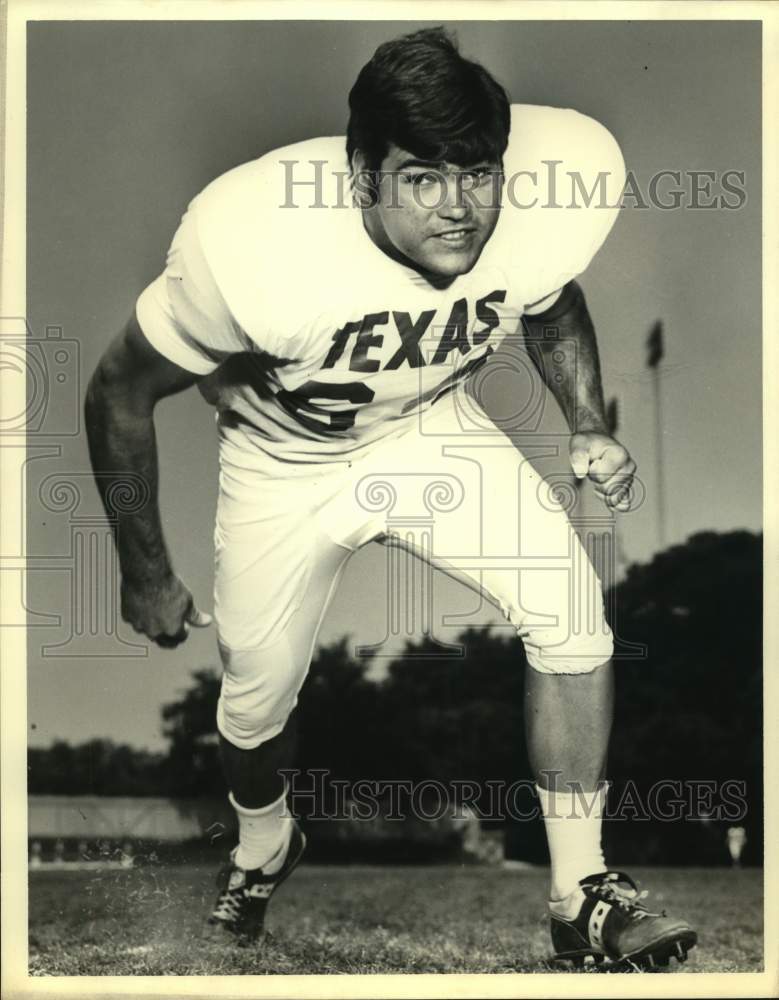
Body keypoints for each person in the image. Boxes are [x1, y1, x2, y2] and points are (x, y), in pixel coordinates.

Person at [85, 27, 696, 969]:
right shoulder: (253, 243)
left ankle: (582, 896)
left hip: (426, 434)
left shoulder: (530, 205)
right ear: (361, 174)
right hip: (283, 465)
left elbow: (549, 296)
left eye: (478, 173)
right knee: (253, 703)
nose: (459, 208)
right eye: (422, 178)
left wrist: (584, 418)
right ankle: (262, 848)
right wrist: (146, 572)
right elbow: (118, 392)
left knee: (572, 612)